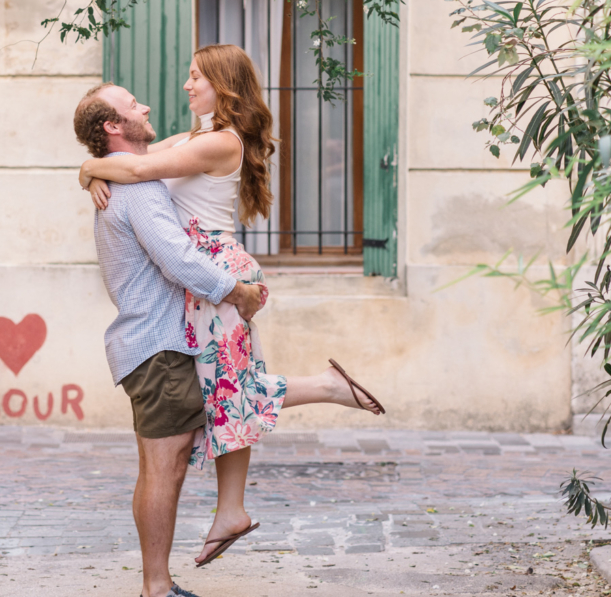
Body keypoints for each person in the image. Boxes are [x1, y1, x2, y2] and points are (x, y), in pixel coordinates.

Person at [77, 44, 385, 569]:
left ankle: (244, 495)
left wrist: (89, 168)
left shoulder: (218, 142)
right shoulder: (196, 137)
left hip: (215, 273)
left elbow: (132, 171)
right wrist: (98, 170)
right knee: (228, 389)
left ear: (222, 86)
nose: (186, 85)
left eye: (195, 77)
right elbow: (133, 161)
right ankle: (235, 505)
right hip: (208, 275)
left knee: (229, 388)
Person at [73, 81, 269, 597]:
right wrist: (239, 292)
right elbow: (178, 259)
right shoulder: (138, 188)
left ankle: (158, 588)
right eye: (132, 105)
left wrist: (87, 169)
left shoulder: (130, 177)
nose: (146, 107)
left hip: (149, 344)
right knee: (164, 469)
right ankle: (156, 594)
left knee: (161, 468)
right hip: (158, 346)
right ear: (114, 126)